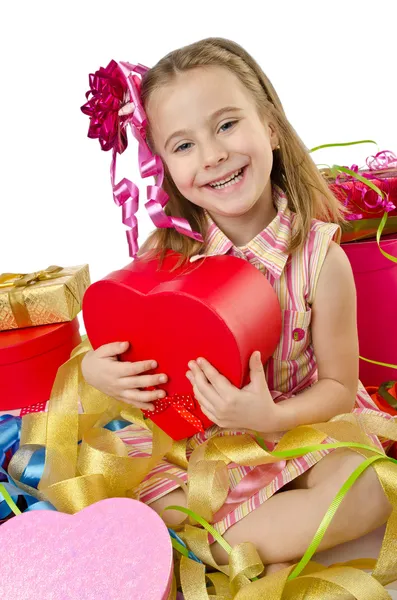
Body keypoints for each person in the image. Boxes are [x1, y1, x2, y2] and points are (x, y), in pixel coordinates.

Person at [81, 37, 392, 574]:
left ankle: (216, 547)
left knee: (370, 492)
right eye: (183, 146)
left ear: (269, 125)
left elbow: (339, 390)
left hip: (299, 423)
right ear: (164, 167)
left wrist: (271, 416)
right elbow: (122, 344)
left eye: (226, 125)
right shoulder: (171, 251)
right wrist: (95, 369)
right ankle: (241, 539)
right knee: (146, 498)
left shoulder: (321, 261)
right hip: (203, 439)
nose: (213, 155)